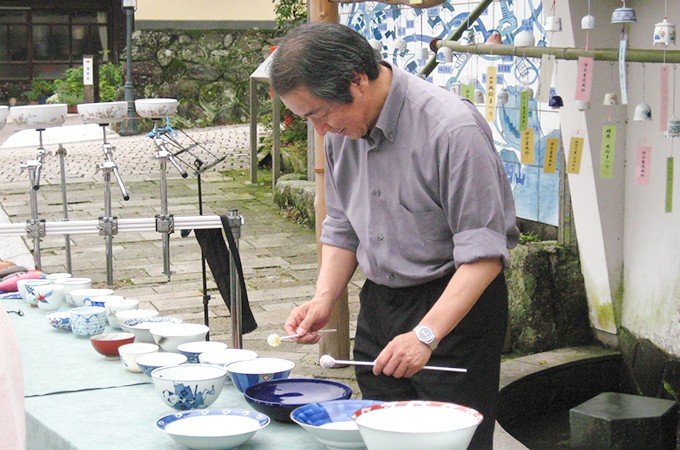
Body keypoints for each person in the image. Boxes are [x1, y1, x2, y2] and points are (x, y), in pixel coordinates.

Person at [270, 22, 518, 449]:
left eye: (318, 114)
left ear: (357, 80)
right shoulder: (340, 133)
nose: (320, 131)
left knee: (449, 440)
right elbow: (343, 225)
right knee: (382, 433)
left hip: (452, 308)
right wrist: (324, 299)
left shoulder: (451, 129)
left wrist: (427, 335)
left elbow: (484, 255)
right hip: (380, 303)